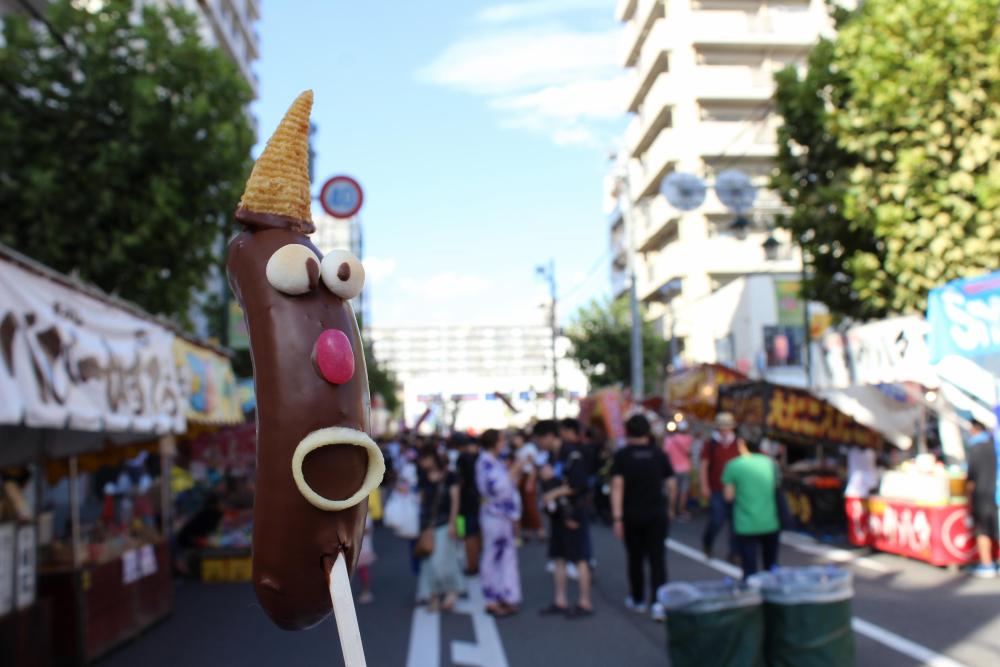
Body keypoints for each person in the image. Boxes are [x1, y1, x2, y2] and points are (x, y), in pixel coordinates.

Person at [611, 414, 675, 622]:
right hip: (656, 513)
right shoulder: (659, 454)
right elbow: (671, 484)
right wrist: (671, 507)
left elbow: (617, 486)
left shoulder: (622, 456)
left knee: (635, 558)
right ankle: (659, 603)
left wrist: (617, 517)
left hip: (631, 515)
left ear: (628, 431)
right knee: (657, 559)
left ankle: (638, 598)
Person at [536, 419, 594, 617]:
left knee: (580, 558)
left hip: (574, 513)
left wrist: (554, 492)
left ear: (549, 436)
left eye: (539, 439)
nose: (539, 444)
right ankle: (560, 600)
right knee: (559, 557)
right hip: (557, 515)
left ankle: (584, 602)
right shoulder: (551, 457)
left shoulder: (572, 455)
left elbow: (578, 484)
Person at [476, 429, 523, 617]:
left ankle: (502, 595)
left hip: (498, 515)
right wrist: (514, 470)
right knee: (496, 556)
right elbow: (499, 488)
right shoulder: (485, 462)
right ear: (494, 443)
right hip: (495, 515)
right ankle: (497, 596)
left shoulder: (489, 461)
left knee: (501, 556)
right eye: (501, 441)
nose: (503, 444)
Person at [722, 438, 781, 578]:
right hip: (770, 521)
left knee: (749, 568)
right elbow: (776, 488)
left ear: (743, 445)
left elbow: (728, 496)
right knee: (771, 566)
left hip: (746, 524)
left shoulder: (734, 465)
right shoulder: (771, 464)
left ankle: (752, 595)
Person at [415, 447, 464, 611]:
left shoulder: (450, 476)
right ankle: (434, 595)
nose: (422, 463)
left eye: (424, 459)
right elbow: (421, 501)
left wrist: (453, 523)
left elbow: (455, 501)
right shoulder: (423, 477)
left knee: (443, 561)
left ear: (432, 457)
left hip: (444, 523)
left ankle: (452, 590)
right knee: (429, 562)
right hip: (426, 525)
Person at [700, 412, 743, 561]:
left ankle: (734, 552)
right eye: (721, 428)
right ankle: (707, 542)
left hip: (736, 489)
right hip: (717, 488)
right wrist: (704, 485)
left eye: (727, 427)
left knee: (736, 522)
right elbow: (704, 465)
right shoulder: (711, 444)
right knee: (717, 519)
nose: (724, 431)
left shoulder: (739, 443)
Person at [965, 420, 998, 578]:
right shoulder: (995, 445)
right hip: (995, 493)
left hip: (983, 494)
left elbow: (971, 477)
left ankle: (987, 565)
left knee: (983, 530)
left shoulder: (976, 448)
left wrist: (967, 497)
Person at [455, 433, 482, 575]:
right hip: (476, 500)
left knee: (467, 534)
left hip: (465, 502)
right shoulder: (478, 458)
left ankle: (472, 564)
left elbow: (461, 482)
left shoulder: (462, 459)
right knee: (474, 533)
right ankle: (475, 561)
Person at [513, 430, 545, 542]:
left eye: (516, 438)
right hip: (521, 478)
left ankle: (540, 531)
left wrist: (530, 481)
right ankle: (528, 532)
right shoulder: (519, 450)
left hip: (528, 477)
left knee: (530, 505)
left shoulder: (529, 448)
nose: (515, 441)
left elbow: (533, 466)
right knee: (524, 506)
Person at [664, 421, 694, 520]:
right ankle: (681, 511)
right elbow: (690, 453)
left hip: (671, 469)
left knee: (672, 491)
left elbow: (665, 453)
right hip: (685, 468)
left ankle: (671, 511)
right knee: (683, 491)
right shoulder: (689, 439)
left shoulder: (669, 440)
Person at [357, 515, 376, 604]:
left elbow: (368, 530)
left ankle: (366, 591)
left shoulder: (365, 515)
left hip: (362, 548)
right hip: (360, 547)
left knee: (363, 571)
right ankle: (365, 591)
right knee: (361, 571)